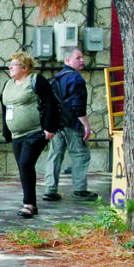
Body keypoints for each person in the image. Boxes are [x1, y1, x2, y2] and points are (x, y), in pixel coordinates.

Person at [2, 52, 58, 218]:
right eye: (10, 64)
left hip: (34, 132)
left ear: (25, 68)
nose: (10, 67)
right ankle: (31, 203)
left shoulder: (35, 80)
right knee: (23, 167)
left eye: (14, 64)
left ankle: (28, 204)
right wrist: (7, 131)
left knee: (26, 163)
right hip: (16, 134)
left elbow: (50, 102)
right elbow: (4, 106)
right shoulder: (8, 84)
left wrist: (49, 128)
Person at [44, 47, 96, 202]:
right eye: (78, 58)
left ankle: (50, 189)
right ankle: (80, 189)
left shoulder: (57, 78)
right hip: (72, 123)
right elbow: (78, 106)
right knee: (80, 154)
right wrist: (86, 125)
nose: (82, 61)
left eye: (82, 58)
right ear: (67, 60)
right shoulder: (76, 79)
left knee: (55, 154)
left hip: (56, 123)